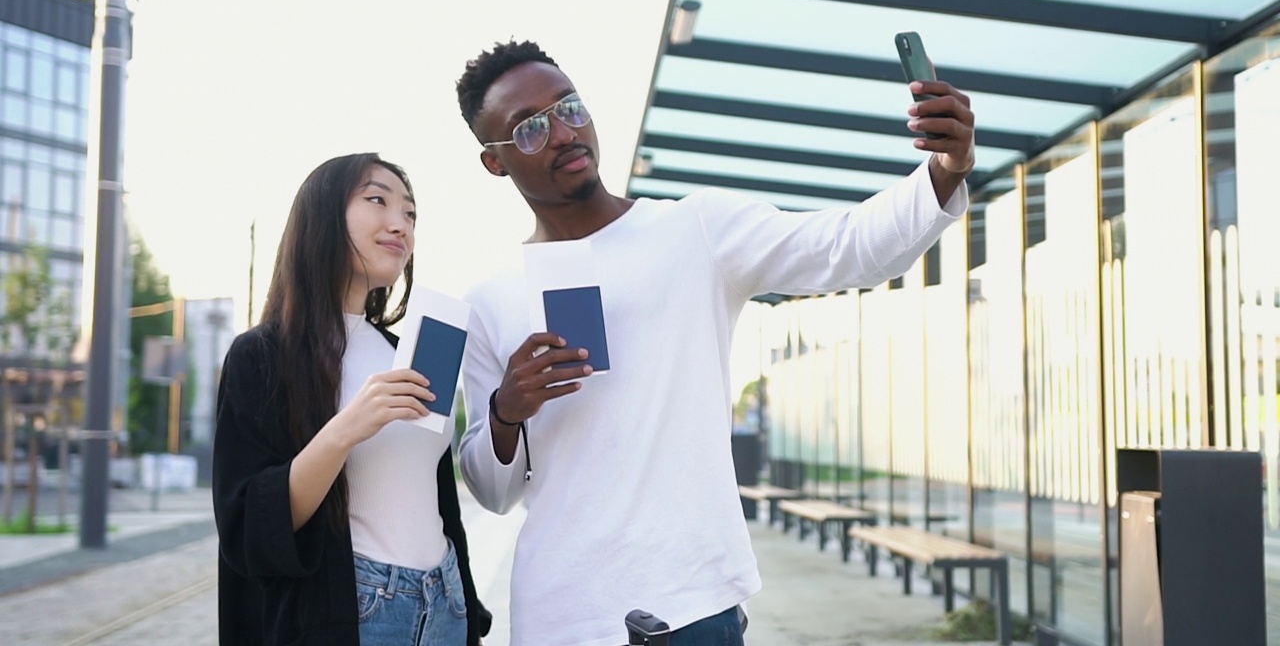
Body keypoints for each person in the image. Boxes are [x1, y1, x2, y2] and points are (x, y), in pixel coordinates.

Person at [454, 40, 973, 646]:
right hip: (560, 613)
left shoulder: (694, 229)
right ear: (494, 161)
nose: (564, 133)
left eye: (569, 107)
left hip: (690, 598)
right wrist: (504, 412)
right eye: (529, 129)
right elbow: (492, 492)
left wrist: (945, 169)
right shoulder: (490, 302)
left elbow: (848, 246)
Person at [213, 153, 492, 646]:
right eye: (377, 200)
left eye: (409, 213)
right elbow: (250, 529)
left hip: (444, 601)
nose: (400, 224)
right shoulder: (263, 355)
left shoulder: (410, 350)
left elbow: (437, 495)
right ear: (322, 217)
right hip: (357, 609)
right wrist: (348, 427)